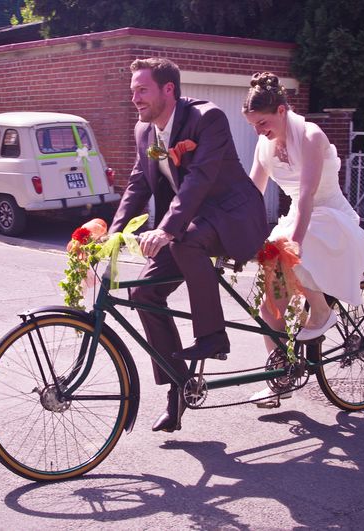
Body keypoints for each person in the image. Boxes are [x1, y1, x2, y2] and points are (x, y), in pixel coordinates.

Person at [109, 58, 269, 432]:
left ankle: (213, 336)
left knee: (186, 242)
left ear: (168, 89)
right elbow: (138, 184)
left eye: (142, 90)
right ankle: (179, 387)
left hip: (232, 216)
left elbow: (199, 178)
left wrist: (165, 230)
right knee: (143, 294)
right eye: (132, 91)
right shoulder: (144, 131)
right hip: (192, 220)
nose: (135, 98)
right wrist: (113, 235)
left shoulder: (207, 118)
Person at [242, 72, 364, 407]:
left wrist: (294, 243)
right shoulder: (265, 145)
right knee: (269, 305)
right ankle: (280, 379)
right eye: (253, 125)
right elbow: (252, 195)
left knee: (285, 249)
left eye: (263, 123)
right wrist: (229, 230)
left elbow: (307, 196)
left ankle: (321, 311)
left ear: (282, 110)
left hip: (329, 218)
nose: (259, 131)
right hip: (297, 220)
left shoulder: (311, 136)